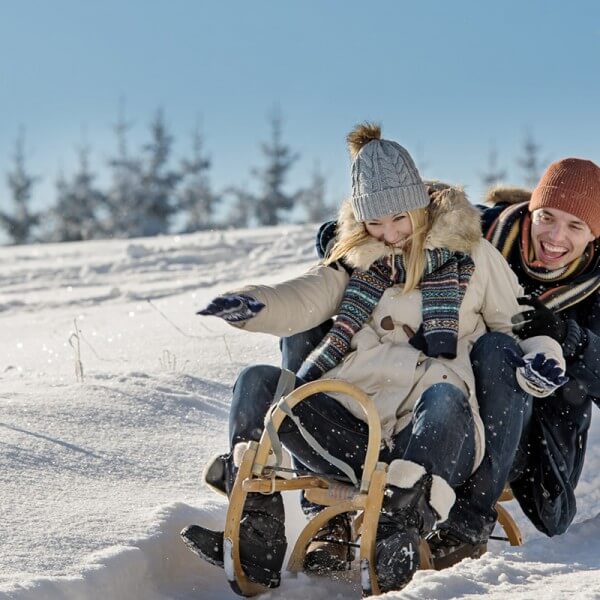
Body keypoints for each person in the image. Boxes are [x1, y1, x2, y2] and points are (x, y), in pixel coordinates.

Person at [180, 124, 566, 594]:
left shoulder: (474, 255)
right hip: (355, 426)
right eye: (374, 223)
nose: (388, 234)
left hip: (434, 434)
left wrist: (543, 356)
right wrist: (254, 303)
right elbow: (306, 294)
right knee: (258, 382)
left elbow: (518, 327)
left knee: (445, 396)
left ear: (419, 204)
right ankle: (257, 528)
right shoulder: (357, 258)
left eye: (398, 219)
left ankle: (396, 532)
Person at [425, 157, 600, 567]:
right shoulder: (480, 232)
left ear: (594, 235)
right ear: (530, 211)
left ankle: (468, 523)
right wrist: (340, 240)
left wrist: (567, 337)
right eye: (547, 217)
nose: (555, 237)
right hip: (440, 398)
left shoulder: (594, 289)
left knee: (498, 351)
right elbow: (381, 227)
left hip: (524, 435)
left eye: (576, 226)